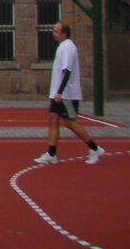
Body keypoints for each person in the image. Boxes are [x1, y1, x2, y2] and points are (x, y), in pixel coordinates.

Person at [34, 22, 106, 165]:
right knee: (53, 119)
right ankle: (52, 153)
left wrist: (60, 91)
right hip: (57, 92)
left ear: (64, 33)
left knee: (69, 122)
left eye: (56, 31)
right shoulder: (62, 47)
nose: (53, 33)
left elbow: (67, 70)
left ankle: (95, 148)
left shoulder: (68, 47)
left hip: (66, 94)